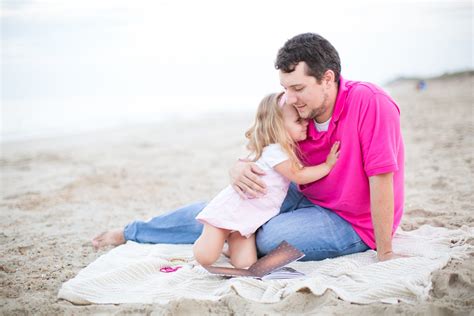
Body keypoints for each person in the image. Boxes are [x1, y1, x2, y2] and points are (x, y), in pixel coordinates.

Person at [93, 33, 404, 262]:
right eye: (285, 88)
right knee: (221, 210)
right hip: (300, 191)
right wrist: (239, 166)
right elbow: (263, 144)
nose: (290, 98)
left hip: (349, 218)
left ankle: (239, 238)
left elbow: (382, 179)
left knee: (269, 236)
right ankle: (132, 231)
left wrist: (385, 252)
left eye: (298, 88)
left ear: (327, 78)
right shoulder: (293, 107)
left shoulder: (371, 103)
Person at [193, 92, 340, 268]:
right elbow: (299, 175)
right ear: (278, 126)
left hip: (250, 217)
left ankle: (232, 239)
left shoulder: (282, 150)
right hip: (234, 210)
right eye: (298, 121)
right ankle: (211, 237)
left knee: (246, 264)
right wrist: (327, 166)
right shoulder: (275, 151)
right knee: (206, 257)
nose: (306, 123)